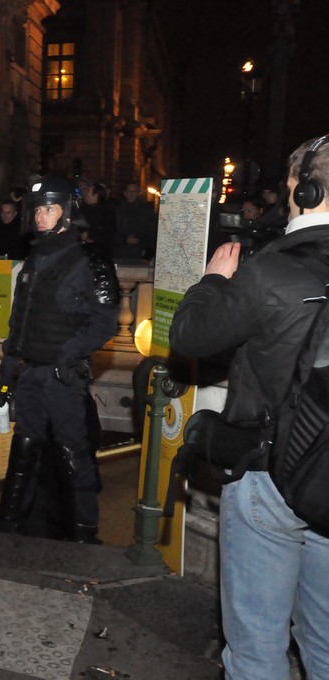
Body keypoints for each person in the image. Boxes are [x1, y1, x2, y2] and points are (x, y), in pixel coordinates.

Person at [169, 135, 329, 680]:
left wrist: (213, 279)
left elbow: (190, 334)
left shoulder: (273, 271)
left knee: (257, 645)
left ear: (304, 189)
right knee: (325, 642)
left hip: (270, 474)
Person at [0, 175, 119, 543]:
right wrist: (6, 369)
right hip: (28, 371)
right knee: (24, 445)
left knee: (72, 451)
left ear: (67, 211)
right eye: (38, 210)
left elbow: (105, 321)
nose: (41, 216)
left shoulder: (91, 258)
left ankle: (84, 531)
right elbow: (20, 319)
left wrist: (68, 355)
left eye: (49, 208)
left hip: (62, 377)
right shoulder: (34, 256)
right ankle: (9, 519)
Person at [112, 181, 157, 261]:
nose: (131, 194)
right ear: (125, 193)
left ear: (139, 193)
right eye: (129, 191)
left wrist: (147, 249)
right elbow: (111, 231)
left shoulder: (147, 211)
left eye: (134, 191)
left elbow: (152, 232)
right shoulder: (116, 210)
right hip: (119, 253)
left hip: (139, 253)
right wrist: (124, 240)